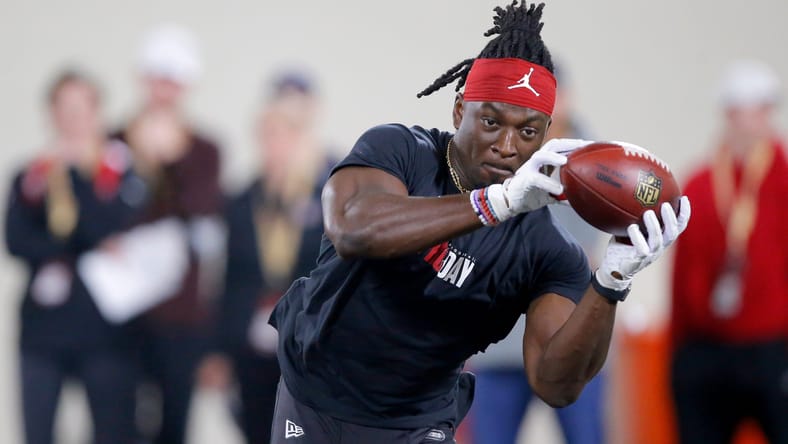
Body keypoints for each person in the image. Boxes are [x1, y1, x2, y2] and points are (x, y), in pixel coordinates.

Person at [269, 2, 691, 444]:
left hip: (416, 422)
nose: (506, 146)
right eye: (491, 122)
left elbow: (556, 385)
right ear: (458, 112)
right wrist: (493, 203)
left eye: (528, 132)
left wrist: (610, 283)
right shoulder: (399, 151)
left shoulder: (547, 248)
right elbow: (354, 228)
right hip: (315, 394)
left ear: (547, 135)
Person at [466, 62, 607, 444]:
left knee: (585, 435)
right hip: (499, 336)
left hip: (570, 327)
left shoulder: (603, 161)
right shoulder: (499, 152)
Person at [4, 69, 146, 444]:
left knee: (112, 431)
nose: (73, 121)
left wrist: (77, 175)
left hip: (104, 330)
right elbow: (17, 242)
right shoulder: (32, 175)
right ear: (50, 115)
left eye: (82, 110)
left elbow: (108, 225)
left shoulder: (118, 170)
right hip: (42, 331)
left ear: (97, 114)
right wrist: (77, 248)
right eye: (64, 111)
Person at [114, 24, 225, 444]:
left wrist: (172, 159)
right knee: (117, 424)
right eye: (157, 79)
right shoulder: (114, 144)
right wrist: (140, 159)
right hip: (123, 314)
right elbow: (108, 219)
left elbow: (202, 210)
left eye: (172, 81)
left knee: (174, 424)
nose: (163, 91)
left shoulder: (205, 150)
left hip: (181, 316)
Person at [211, 70, 335, 444]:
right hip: (252, 340)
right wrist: (217, 349)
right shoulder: (244, 198)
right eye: (266, 136)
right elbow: (229, 276)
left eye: (282, 136)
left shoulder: (328, 192)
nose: (273, 146)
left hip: (307, 341)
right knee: (255, 428)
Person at [670, 59, 787, 444]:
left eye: (758, 112)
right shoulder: (701, 184)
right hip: (706, 351)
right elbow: (682, 275)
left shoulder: (783, 180)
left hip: (774, 347)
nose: (748, 123)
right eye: (738, 113)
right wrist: (679, 357)